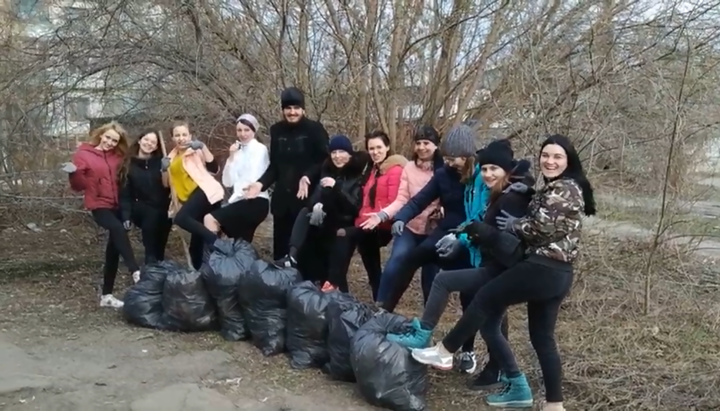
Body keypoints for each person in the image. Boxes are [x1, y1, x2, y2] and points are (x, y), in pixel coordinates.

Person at [410, 134, 596, 411]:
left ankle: (445, 351)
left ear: (568, 161)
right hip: (557, 273)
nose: (550, 161)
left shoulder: (565, 188)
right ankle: (554, 404)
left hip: (543, 267)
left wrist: (514, 226)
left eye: (557, 156)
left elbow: (540, 230)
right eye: (546, 155)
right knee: (542, 338)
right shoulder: (553, 187)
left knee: (485, 298)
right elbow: (542, 223)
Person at [387, 139, 534, 391]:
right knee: (491, 325)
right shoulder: (485, 185)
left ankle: (441, 346)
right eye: (485, 169)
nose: (487, 174)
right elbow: (476, 218)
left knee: (469, 301)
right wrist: (464, 235)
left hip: (502, 271)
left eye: (493, 170)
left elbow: (507, 242)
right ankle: (512, 379)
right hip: (487, 261)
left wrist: (469, 234)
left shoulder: (510, 195)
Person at [372, 125, 481, 371]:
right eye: (450, 158)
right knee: (410, 258)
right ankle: (387, 313)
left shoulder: (479, 176)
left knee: (469, 292)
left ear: (469, 156)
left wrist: (463, 235)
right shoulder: (442, 174)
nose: (453, 163)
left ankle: (467, 350)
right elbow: (419, 200)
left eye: (457, 159)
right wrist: (400, 218)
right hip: (445, 232)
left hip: (470, 236)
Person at [361, 126, 444, 308]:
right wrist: (383, 216)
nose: (422, 147)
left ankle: (427, 324)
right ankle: (381, 307)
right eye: (418, 143)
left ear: (436, 146)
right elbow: (402, 200)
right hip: (410, 227)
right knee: (396, 262)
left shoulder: (443, 171)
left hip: (434, 232)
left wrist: (442, 210)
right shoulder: (409, 168)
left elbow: (450, 199)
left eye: (426, 143)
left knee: (430, 277)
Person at [243, 87, 329, 260]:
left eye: (296, 108)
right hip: (282, 201)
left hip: (306, 199)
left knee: (306, 252)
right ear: (283, 110)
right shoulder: (276, 130)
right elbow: (274, 166)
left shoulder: (315, 129)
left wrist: (307, 176)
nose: (292, 112)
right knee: (281, 252)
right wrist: (260, 184)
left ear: (303, 109)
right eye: (288, 108)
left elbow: (325, 160)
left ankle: (307, 284)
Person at [61, 121, 140, 308]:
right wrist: (73, 173)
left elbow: (126, 176)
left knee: (113, 250)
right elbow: (78, 186)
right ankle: (135, 271)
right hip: (98, 204)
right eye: (108, 138)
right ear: (101, 135)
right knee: (117, 229)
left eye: (114, 140)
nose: (110, 142)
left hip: (118, 205)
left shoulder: (118, 156)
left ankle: (106, 296)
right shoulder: (84, 154)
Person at [274, 135, 370, 284]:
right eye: (334, 153)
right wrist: (316, 205)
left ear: (350, 154)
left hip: (344, 222)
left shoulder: (357, 175)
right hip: (326, 218)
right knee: (305, 213)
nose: (337, 156)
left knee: (332, 254)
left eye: (341, 152)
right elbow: (316, 196)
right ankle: (292, 256)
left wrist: (335, 188)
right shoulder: (327, 170)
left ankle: (331, 286)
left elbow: (353, 207)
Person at [324, 130, 407, 298]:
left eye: (379, 147)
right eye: (371, 148)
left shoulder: (395, 170)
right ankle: (377, 298)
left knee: (345, 235)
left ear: (388, 147)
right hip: (367, 223)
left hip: (383, 225)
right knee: (370, 262)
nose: (375, 152)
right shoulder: (374, 169)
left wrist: (376, 217)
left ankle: (335, 285)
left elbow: (395, 203)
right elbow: (365, 201)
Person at [165, 120, 225, 269]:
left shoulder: (195, 151)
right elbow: (167, 184)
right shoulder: (170, 158)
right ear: (172, 138)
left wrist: (203, 147)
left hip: (205, 192)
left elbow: (214, 169)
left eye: (184, 134)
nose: (181, 138)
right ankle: (200, 275)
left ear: (190, 135)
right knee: (196, 246)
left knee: (181, 218)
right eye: (177, 135)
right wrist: (163, 169)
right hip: (189, 200)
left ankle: (215, 241)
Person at [203, 114, 270, 244]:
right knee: (240, 243)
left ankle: (214, 257)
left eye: (247, 130)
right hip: (241, 200)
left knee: (210, 219)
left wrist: (235, 199)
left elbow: (253, 178)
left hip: (256, 201)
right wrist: (231, 157)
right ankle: (234, 262)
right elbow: (227, 182)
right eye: (239, 130)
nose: (243, 134)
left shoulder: (260, 149)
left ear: (254, 131)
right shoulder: (237, 152)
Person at [119, 129, 172, 265]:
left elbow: (169, 186)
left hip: (163, 206)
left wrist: (166, 169)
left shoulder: (160, 161)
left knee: (162, 232)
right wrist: (126, 215)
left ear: (156, 146)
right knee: (151, 217)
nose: (149, 144)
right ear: (139, 140)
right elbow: (125, 194)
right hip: (141, 207)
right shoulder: (129, 164)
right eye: (146, 140)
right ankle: (150, 259)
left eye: (153, 142)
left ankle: (158, 262)